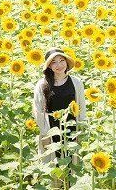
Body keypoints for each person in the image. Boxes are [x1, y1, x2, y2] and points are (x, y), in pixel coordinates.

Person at [32, 48, 86, 184]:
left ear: (67, 63)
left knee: (71, 162)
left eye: (62, 61)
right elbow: (38, 112)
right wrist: (45, 134)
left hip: (71, 128)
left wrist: (82, 129)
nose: (59, 65)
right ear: (49, 66)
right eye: (54, 62)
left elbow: (81, 107)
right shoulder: (42, 85)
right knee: (53, 166)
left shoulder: (76, 82)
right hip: (51, 130)